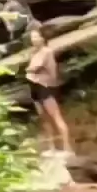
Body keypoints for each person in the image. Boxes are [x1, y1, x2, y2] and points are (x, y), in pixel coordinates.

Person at [26, 24, 72, 153]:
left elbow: (35, 67)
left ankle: (67, 147)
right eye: (32, 37)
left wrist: (28, 69)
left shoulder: (47, 51)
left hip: (45, 86)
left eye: (36, 37)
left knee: (56, 116)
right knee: (44, 117)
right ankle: (52, 147)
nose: (33, 39)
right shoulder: (33, 53)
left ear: (42, 38)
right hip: (34, 85)